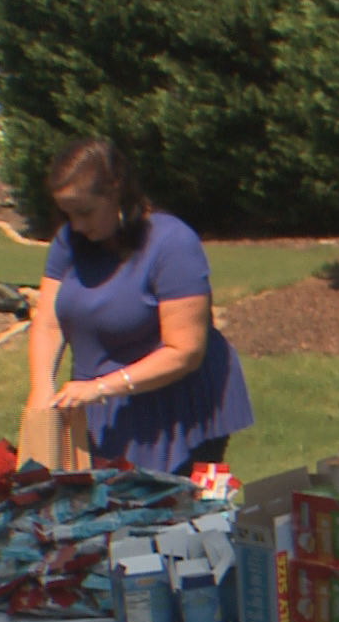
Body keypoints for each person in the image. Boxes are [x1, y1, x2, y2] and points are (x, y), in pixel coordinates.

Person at [29, 138, 253, 475]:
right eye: (67, 213)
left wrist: (102, 387)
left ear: (117, 193)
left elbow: (184, 351)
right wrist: (41, 384)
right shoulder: (70, 241)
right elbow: (48, 320)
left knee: (163, 514)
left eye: (85, 211)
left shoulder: (172, 244)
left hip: (173, 403)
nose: (75, 224)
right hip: (97, 396)